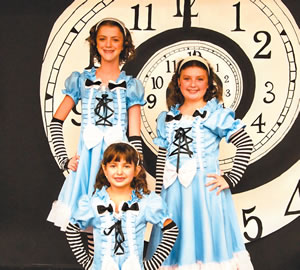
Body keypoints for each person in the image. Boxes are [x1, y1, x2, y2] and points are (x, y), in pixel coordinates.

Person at [47, 18, 145, 253]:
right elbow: (56, 122)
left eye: (115, 40)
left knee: (115, 230)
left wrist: (137, 167)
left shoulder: (130, 85)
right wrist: (65, 159)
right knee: (92, 226)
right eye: (102, 39)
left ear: (124, 45)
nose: (108, 44)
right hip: (88, 168)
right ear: (94, 42)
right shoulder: (81, 80)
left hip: (117, 166)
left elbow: (135, 135)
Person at [146, 56, 254, 269]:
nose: (193, 84)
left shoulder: (215, 115)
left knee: (205, 241)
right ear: (178, 82)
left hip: (204, 195)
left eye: (199, 79)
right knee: (172, 241)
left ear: (208, 83)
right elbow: (162, 159)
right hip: (173, 195)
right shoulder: (167, 118)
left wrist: (230, 178)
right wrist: (158, 196)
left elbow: (245, 142)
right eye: (187, 78)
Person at [65, 142, 179, 270]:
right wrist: (87, 263)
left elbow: (171, 230)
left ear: (136, 170)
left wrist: (150, 265)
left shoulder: (146, 202)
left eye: (126, 166)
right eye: (113, 166)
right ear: (105, 169)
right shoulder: (94, 202)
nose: (119, 172)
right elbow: (71, 229)